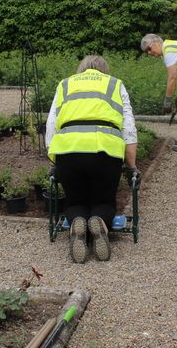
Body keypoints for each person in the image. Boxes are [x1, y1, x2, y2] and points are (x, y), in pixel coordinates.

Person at [45, 55, 138, 263]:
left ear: (81, 69)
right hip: (105, 151)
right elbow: (129, 128)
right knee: (103, 199)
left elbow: (51, 124)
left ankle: (77, 222)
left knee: (75, 199)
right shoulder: (115, 84)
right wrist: (132, 166)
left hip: (68, 150)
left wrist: (54, 160)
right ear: (104, 70)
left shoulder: (65, 85)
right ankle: (100, 222)